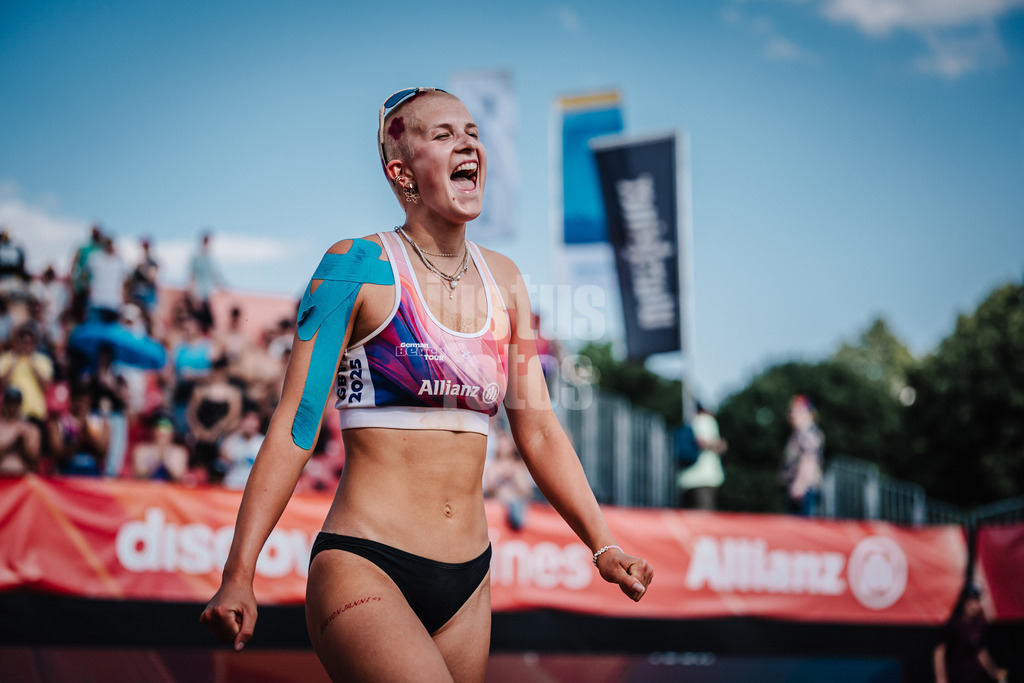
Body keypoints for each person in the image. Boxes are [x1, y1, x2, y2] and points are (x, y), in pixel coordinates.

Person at [201, 87, 653, 681]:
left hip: (468, 581)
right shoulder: (356, 266)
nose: (467, 142)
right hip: (365, 563)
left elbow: (538, 428)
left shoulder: (507, 280)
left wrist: (603, 542)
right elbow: (295, 422)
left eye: (470, 131)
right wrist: (239, 572)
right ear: (401, 171)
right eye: (442, 135)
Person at [934, 584, 1009, 683]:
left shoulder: (980, 625)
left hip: (974, 678)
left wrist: (993, 671)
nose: (975, 605)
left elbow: (980, 652)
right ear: (963, 602)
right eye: (971, 601)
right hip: (955, 677)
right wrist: (941, 678)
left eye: (977, 601)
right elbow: (939, 652)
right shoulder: (952, 624)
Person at [677, 402, 728, 510]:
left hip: (686, 479)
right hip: (704, 479)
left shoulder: (691, 421)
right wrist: (720, 445)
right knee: (704, 519)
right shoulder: (705, 420)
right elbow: (702, 441)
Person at [780, 394, 825, 516]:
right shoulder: (800, 433)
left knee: (800, 528)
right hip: (801, 488)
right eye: (792, 411)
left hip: (803, 489)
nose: (793, 414)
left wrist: (799, 486)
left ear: (809, 413)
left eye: (798, 411)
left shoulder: (807, 433)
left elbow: (809, 461)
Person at [483, 427, 535, 530]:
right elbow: (488, 490)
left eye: (506, 443)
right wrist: (499, 478)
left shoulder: (518, 467)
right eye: (501, 443)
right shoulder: (491, 466)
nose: (503, 446)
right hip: (495, 511)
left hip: (515, 508)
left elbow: (526, 490)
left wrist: (513, 476)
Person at [130, 415, 188, 482]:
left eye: (167, 428)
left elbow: (179, 477)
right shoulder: (141, 450)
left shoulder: (179, 452)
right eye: (159, 428)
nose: (162, 433)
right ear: (153, 431)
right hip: (146, 490)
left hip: (171, 491)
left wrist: (165, 458)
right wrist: (155, 459)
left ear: (173, 433)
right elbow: (138, 475)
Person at [0, 387, 41, 476]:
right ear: (5, 403)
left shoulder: (30, 428)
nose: (12, 407)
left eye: (15, 402)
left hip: (21, 480)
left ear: (20, 404)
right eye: (10, 402)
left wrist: (23, 443)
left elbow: (34, 459)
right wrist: (13, 438)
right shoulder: (1, 426)